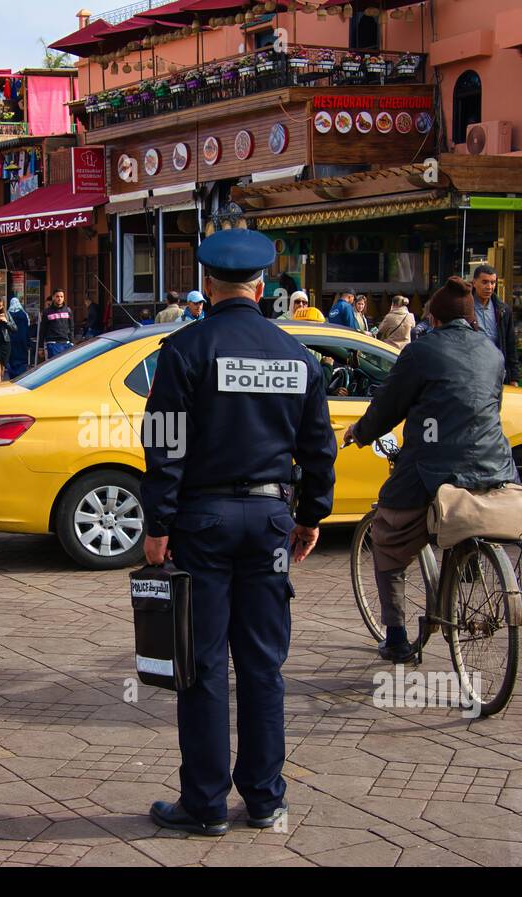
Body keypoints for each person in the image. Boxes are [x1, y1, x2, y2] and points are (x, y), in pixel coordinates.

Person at [140, 228, 337, 837]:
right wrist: (311, 516)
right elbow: (319, 448)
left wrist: (158, 525)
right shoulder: (297, 357)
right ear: (261, 286)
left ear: (206, 285)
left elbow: (164, 445)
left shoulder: (185, 350)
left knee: (201, 665)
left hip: (203, 524)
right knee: (262, 665)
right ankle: (264, 799)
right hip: (272, 524)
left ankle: (203, 805)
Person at [347, 276, 517, 663]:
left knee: (388, 539)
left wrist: (361, 433)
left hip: (431, 469)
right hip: (493, 465)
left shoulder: (421, 352)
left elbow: (389, 405)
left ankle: (396, 639)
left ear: (434, 320)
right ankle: (468, 562)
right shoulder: (492, 353)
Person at [471, 264, 520, 386]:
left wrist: (514, 377)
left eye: (493, 283)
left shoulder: (503, 310)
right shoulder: (465, 308)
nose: (489, 287)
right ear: (474, 283)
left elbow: (510, 344)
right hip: (473, 369)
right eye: (485, 282)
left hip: (497, 370)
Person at [42, 289, 74, 359]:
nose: (60, 298)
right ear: (53, 297)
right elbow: (43, 330)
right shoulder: (47, 312)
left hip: (66, 343)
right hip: (53, 344)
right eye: (57, 296)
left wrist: (72, 342)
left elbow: (71, 328)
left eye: (61, 296)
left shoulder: (68, 310)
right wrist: (40, 347)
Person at [7, 297, 31, 378]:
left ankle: (13, 374)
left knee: (12, 357)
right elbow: (27, 328)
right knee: (22, 358)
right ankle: (21, 375)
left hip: (11, 340)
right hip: (22, 339)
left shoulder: (8, 314)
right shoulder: (24, 314)